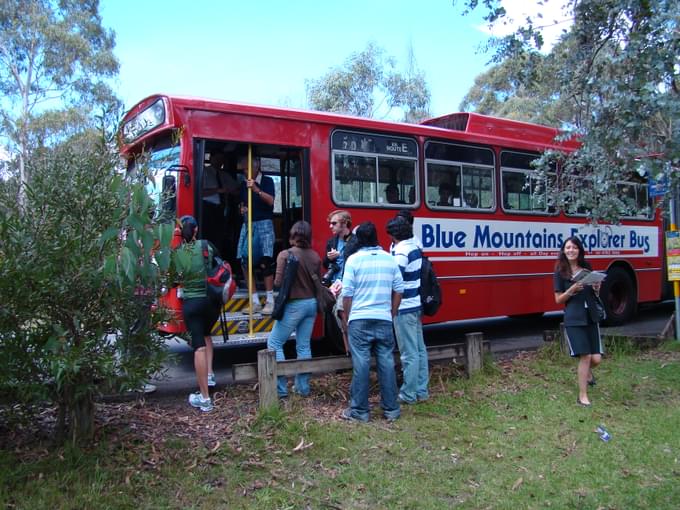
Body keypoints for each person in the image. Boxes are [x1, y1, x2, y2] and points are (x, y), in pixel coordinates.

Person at [340, 221, 404, 422]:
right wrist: (391, 312)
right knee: (386, 362)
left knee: (362, 364)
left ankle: (360, 411)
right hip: (383, 318)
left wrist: (349, 318)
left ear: (359, 239)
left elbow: (347, 294)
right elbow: (399, 289)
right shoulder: (389, 259)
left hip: (359, 319)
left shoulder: (353, 260)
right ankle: (391, 409)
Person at [267, 221, 321, 398]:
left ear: (292, 235)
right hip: (311, 304)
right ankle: (302, 388)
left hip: (294, 305)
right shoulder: (315, 256)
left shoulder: (285, 254)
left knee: (275, 343)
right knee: (303, 345)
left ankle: (280, 389)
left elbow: (278, 282)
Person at [176, 215, 220, 412]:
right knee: (207, 334)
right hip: (211, 302)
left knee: (198, 347)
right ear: (195, 230)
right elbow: (217, 263)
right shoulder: (205, 246)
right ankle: (210, 374)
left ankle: (204, 398)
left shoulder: (177, 253)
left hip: (191, 303)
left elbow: (173, 279)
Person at [553, 235, 604, 407]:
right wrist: (572, 290)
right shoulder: (560, 271)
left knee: (596, 359)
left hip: (591, 316)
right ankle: (582, 396)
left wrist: (597, 288)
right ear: (563, 250)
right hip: (574, 318)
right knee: (586, 355)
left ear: (579, 250)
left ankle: (588, 373)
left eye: (574, 247)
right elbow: (558, 300)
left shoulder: (587, 268)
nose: (571, 250)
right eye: (568, 247)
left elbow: (594, 293)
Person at [386, 217, 428, 404]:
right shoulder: (414, 247)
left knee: (408, 353)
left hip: (404, 307)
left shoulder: (402, 252)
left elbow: (395, 279)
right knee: (419, 350)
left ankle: (408, 394)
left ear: (395, 234)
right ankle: (421, 390)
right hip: (415, 304)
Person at [237, 155, 276, 314]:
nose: (246, 172)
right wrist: (242, 209)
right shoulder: (243, 185)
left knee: (265, 262)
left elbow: (271, 201)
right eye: (244, 170)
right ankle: (254, 301)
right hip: (248, 224)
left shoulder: (267, 181)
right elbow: (242, 203)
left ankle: (270, 300)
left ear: (257, 166)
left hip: (264, 223)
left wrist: (257, 190)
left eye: (248, 168)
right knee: (245, 261)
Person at [323, 209, 355, 353]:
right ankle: (343, 350)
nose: (331, 226)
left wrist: (341, 254)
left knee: (343, 316)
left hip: (347, 284)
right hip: (333, 285)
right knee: (334, 318)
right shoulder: (332, 241)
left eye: (334, 223)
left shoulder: (355, 241)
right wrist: (329, 258)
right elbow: (326, 264)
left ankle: (349, 351)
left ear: (345, 224)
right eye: (330, 223)